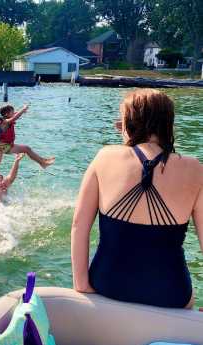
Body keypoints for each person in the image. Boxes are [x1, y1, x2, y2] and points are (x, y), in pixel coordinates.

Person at [71, 88, 203, 309]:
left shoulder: (105, 157)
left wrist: (81, 283)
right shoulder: (194, 168)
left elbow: (78, 225)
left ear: (130, 122)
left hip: (107, 284)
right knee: (188, 300)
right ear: (167, 123)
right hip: (171, 292)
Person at [0, 104, 55, 169]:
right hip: (4, 147)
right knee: (27, 149)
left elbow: (15, 115)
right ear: (6, 114)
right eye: (12, 112)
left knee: (27, 149)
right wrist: (23, 109)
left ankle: (43, 161)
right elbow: (14, 117)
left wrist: (22, 111)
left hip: (5, 146)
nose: (14, 113)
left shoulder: (5, 119)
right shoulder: (5, 122)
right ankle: (43, 163)